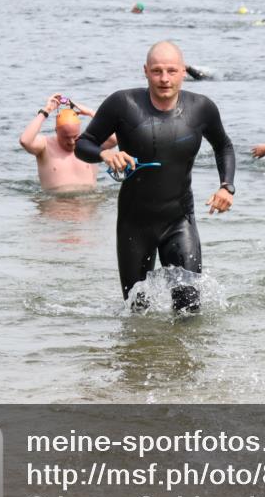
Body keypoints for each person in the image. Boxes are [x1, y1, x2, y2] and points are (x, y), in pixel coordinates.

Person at [75, 41, 236, 312]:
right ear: (146, 71)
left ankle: (181, 356)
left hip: (179, 220)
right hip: (133, 225)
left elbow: (224, 146)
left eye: (171, 71)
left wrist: (226, 187)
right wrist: (105, 155)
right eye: (157, 71)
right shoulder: (122, 104)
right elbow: (83, 144)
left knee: (189, 309)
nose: (164, 79)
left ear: (183, 71)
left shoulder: (202, 108)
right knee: (136, 310)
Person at [19, 94, 116, 193]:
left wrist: (90, 112)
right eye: (66, 137)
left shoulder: (89, 143)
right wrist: (46, 111)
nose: (71, 142)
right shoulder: (45, 145)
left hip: (88, 205)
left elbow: (114, 140)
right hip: (56, 206)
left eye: (75, 136)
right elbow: (25, 140)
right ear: (56, 131)